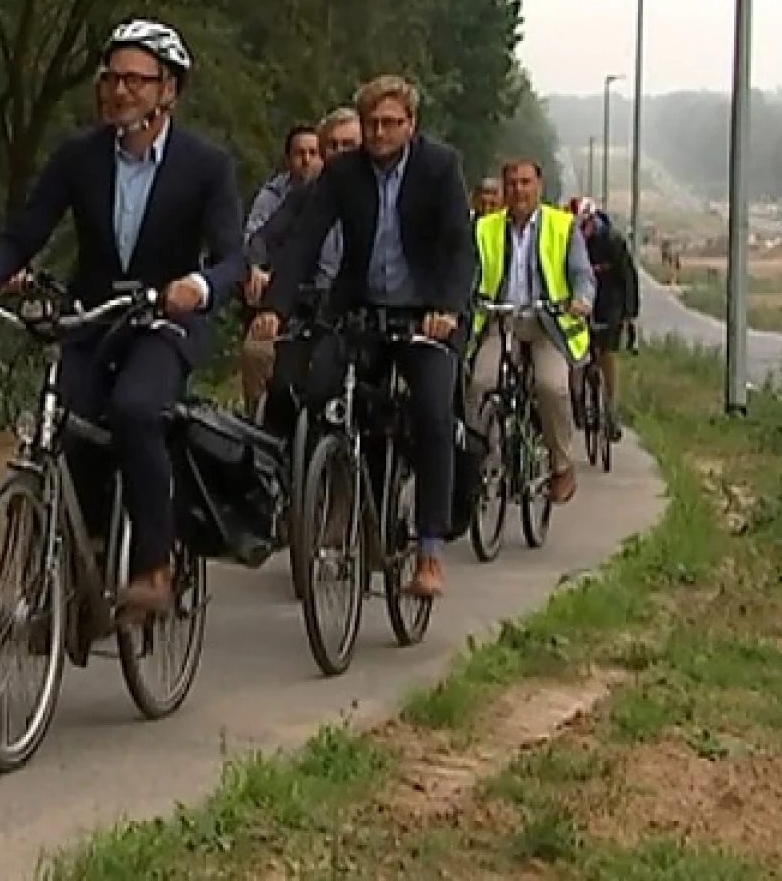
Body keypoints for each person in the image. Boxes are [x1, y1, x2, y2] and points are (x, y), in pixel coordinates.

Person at [0, 19, 244, 619]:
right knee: (61, 425)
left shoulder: (205, 164)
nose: (119, 91)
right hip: (94, 318)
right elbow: (26, 233)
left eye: (136, 79)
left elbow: (234, 256)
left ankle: (154, 566)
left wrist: (199, 285)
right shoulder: (78, 157)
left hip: (164, 323)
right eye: (111, 77)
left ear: (168, 91)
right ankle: (53, 579)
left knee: (135, 409)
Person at [251, 75, 475, 599]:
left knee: (431, 413)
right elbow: (304, 240)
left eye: (390, 123)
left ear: (411, 125)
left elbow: (458, 248)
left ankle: (429, 552)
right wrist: (276, 308)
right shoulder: (343, 173)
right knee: (322, 394)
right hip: (359, 308)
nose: (378, 132)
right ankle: (331, 510)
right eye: (371, 122)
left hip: (424, 314)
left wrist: (446, 308)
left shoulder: (439, 167)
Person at [468, 159, 595, 505]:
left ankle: (561, 465)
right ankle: (481, 462)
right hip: (501, 319)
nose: (518, 191)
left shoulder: (562, 226)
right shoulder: (485, 228)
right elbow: (473, 271)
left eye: (525, 183)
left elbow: (582, 274)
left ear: (539, 186)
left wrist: (581, 300)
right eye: (512, 184)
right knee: (480, 384)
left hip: (547, 324)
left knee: (551, 387)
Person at [237, 123, 343, 413]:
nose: (309, 160)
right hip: (298, 300)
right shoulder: (289, 196)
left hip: (349, 307)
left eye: (348, 146)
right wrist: (258, 269)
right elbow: (262, 238)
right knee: (258, 351)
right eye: (332, 147)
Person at [575, 197, 639, 440]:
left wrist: (630, 314)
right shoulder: (573, 240)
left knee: (607, 353)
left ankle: (611, 409)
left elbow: (628, 278)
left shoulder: (612, 241)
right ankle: (579, 397)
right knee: (576, 351)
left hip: (610, 301)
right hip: (581, 301)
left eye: (585, 228)